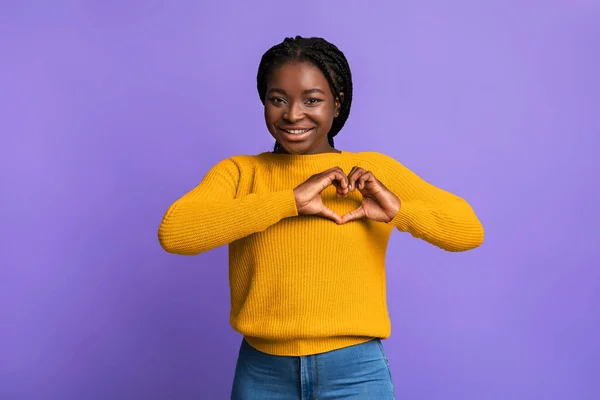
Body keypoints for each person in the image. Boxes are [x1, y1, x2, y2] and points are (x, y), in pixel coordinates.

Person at [158, 36, 484, 400]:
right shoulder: (240, 172)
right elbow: (175, 233)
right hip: (263, 371)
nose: (293, 114)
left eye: (312, 100)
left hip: (356, 372)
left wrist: (398, 211)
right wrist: (287, 202)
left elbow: (469, 230)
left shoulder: (372, 172)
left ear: (337, 104)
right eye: (277, 99)